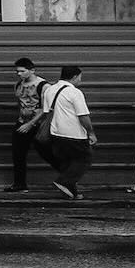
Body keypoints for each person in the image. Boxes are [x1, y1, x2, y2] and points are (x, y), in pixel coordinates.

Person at [43, 65, 96, 199]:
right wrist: (91, 133)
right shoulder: (74, 92)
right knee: (84, 159)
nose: (80, 80)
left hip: (56, 133)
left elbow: (46, 112)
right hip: (74, 133)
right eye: (80, 77)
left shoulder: (49, 90)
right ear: (74, 77)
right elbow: (83, 116)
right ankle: (64, 182)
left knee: (68, 163)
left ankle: (72, 192)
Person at [6, 57, 58, 192]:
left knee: (47, 153)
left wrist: (31, 124)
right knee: (18, 154)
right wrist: (22, 121)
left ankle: (68, 178)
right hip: (22, 123)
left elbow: (46, 108)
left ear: (32, 70)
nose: (19, 74)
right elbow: (20, 103)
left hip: (38, 125)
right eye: (17, 71)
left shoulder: (44, 86)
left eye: (22, 71)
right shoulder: (18, 85)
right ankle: (19, 184)